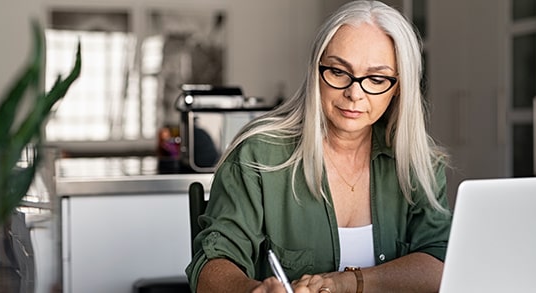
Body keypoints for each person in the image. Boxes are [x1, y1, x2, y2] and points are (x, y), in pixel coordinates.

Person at [185, 1, 452, 292]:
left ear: (399, 87)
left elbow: (439, 260)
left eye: (376, 79)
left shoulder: (417, 162)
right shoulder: (256, 156)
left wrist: (347, 282)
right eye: (338, 72)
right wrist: (252, 291)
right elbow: (213, 264)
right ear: (316, 70)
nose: (354, 93)